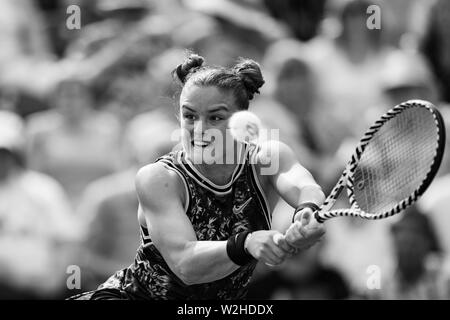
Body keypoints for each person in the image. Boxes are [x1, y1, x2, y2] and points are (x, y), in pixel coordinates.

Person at [70, 53, 325, 300]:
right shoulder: (159, 178)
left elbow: (304, 186)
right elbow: (185, 264)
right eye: (190, 116)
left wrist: (308, 211)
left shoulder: (266, 158)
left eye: (215, 117)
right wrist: (247, 243)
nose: (200, 129)